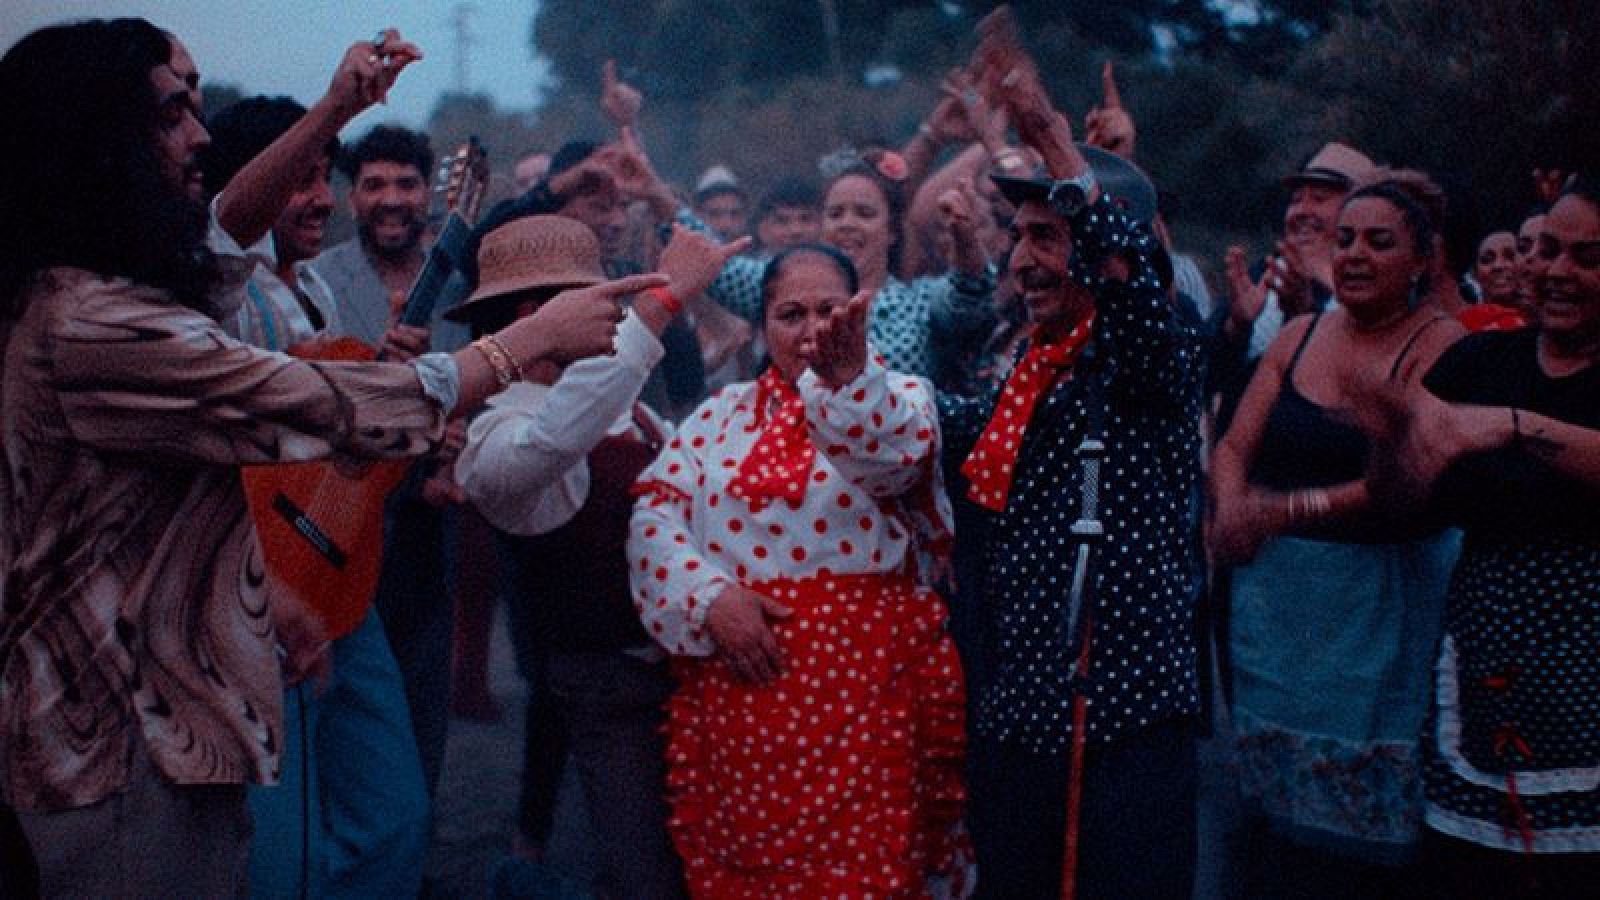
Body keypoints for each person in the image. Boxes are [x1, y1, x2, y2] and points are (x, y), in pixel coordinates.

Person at [0, 19, 633, 895]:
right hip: (117, 746)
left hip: (203, 682)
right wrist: (527, 340)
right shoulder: (90, 324)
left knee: (386, 823)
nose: (201, 138)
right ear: (94, 145)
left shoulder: (118, 292)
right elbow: (325, 406)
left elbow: (218, 240)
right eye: (172, 115)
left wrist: (340, 104)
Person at [935, 48, 1206, 898]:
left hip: (1125, 730)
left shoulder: (1155, 358)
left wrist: (1055, 142)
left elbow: (1133, 289)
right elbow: (940, 428)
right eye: (1018, 238)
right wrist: (842, 384)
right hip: (1020, 721)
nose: (1020, 262)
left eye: (1044, 237)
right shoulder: (1023, 371)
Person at [626, 244, 969, 896]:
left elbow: (895, 462)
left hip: (871, 703)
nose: (813, 330)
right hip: (743, 709)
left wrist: (845, 386)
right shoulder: (715, 419)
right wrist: (710, 600)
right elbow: (654, 517)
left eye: (829, 311)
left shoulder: (901, 398)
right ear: (761, 327)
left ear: (858, 316)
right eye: (791, 313)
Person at [199, 39, 436, 896]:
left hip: (339, 576)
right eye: (297, 177)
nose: (317, 199)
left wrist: (383, 378)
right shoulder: (219, 296)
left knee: (395, 815)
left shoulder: (319, 294)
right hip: (266, 586)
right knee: (282, 840)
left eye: (322, 177)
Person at [454, 214, 741, 899]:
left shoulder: (630, 409)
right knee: (647, 878)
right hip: (605, 689)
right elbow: (554, 440)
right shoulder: (497, 428)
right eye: (602, 303)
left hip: (685, 679)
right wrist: (660, 306)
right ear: (536, 315)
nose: (615, 315)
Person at [1209, 177, 1467, 895]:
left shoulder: (1442, 346)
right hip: (1277, 624)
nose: (1354, 254)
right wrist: (1230, 506)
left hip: (1377, 624)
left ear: (1422, 259)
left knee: (1357, 863)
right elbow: (1233, 447)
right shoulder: (1298, 335)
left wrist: (1286, 511)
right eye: (1345, 238)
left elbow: (1407, 481)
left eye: (1379, 242)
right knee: (1272, 840)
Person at [1376, 175, 1600, 898]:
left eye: (1588, 258)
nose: (1558, 272)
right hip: (1483, 680)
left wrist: (1511, 427)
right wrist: (1397, 444)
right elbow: (1407, 500)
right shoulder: (1483, 361)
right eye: (1548, 251)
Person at [702, 153, 996, 382]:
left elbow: (969, 299)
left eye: (864, 214)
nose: (847, 224)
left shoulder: (920, 300)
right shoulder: (786, 291)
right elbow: (714, 267)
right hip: (797, 453)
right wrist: (656, 192)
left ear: (892, 230)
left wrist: (965, 238)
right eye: (835, 213)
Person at [1461, 229, 1527, 332]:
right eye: (1487, 259)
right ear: (1474, 273)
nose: (1498, 265)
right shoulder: (1461, 327)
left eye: (1510, 256)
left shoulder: (1544, 322)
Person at [752, 176, 822, 255]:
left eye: (806, 219)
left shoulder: (837, 265)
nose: (796, 231)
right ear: (762, 230)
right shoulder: (740, 266)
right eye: (782, 221)